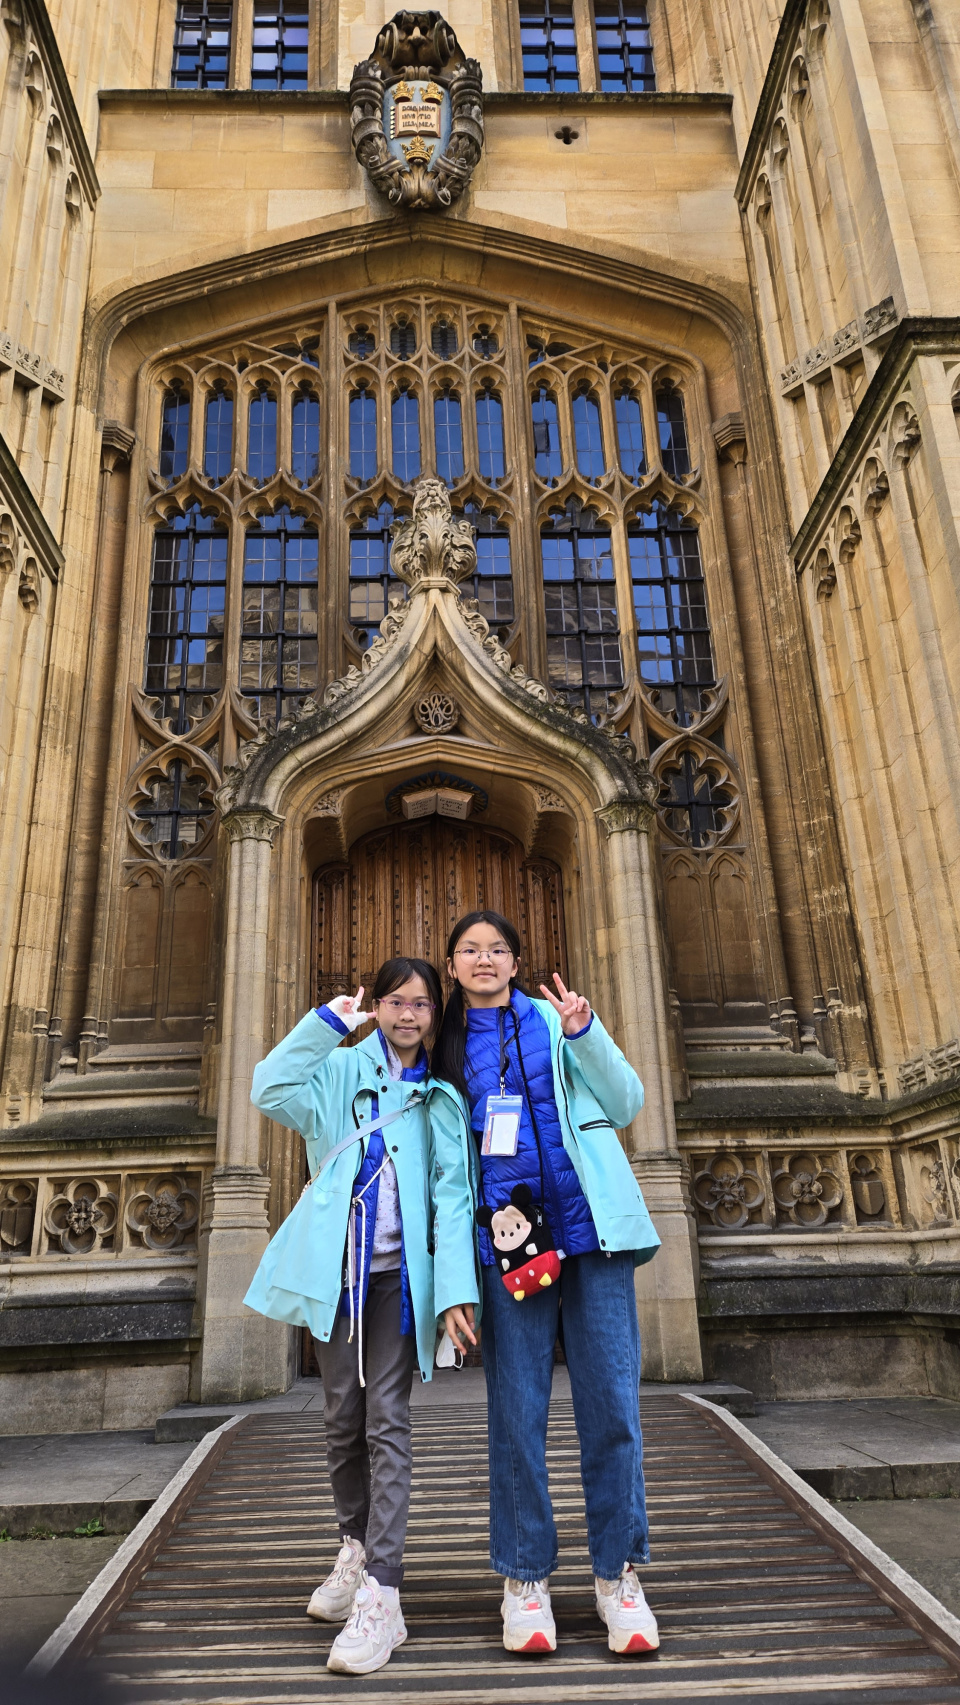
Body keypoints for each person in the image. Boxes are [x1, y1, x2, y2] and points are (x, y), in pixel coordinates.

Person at [429, 910, 661, 1657]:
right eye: (470, 950)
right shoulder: (443, 1051)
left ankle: (617, 1574)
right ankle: (524, 1577)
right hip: (508, 1251)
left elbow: (626, 1103)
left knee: (613, 1408)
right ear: (453, 966)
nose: (485, 959)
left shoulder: (559, 1024)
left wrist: (586, 1032)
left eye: (498, 949)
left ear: (516, 960)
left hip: (590, 1236)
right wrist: (454, 1281)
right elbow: (449, 1178)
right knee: (517, 1415)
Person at [243, 957, 443, 1677]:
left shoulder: (440, 1094)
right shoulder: (335, 1069)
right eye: (395, 1001)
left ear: (434, 1014)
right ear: (377, 1007)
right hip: (339, 1274)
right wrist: (326, 1024)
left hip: (398, 1282)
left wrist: (456, 1292)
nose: (408, 1014)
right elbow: (268, 1087)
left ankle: (384, 1589)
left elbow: (452, 1192)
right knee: (340, 1417)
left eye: (421, 1003)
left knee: (387, 1417)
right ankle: (354, 1548)